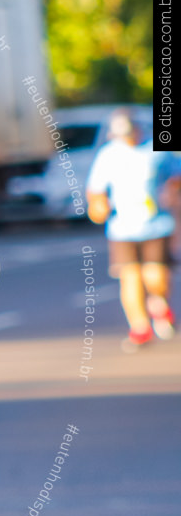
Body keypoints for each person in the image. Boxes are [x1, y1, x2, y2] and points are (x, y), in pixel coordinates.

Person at [86, 109, 178, 351]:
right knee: (130, 278)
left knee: (155, 277)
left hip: (156, 224)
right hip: (122, 228)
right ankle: (139, 327)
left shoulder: (156, 151)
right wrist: (98, 207)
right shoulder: (108, 155)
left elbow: (176, 176)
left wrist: (172, 193)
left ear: (137, 129)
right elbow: (95, 190)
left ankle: (158, 304)